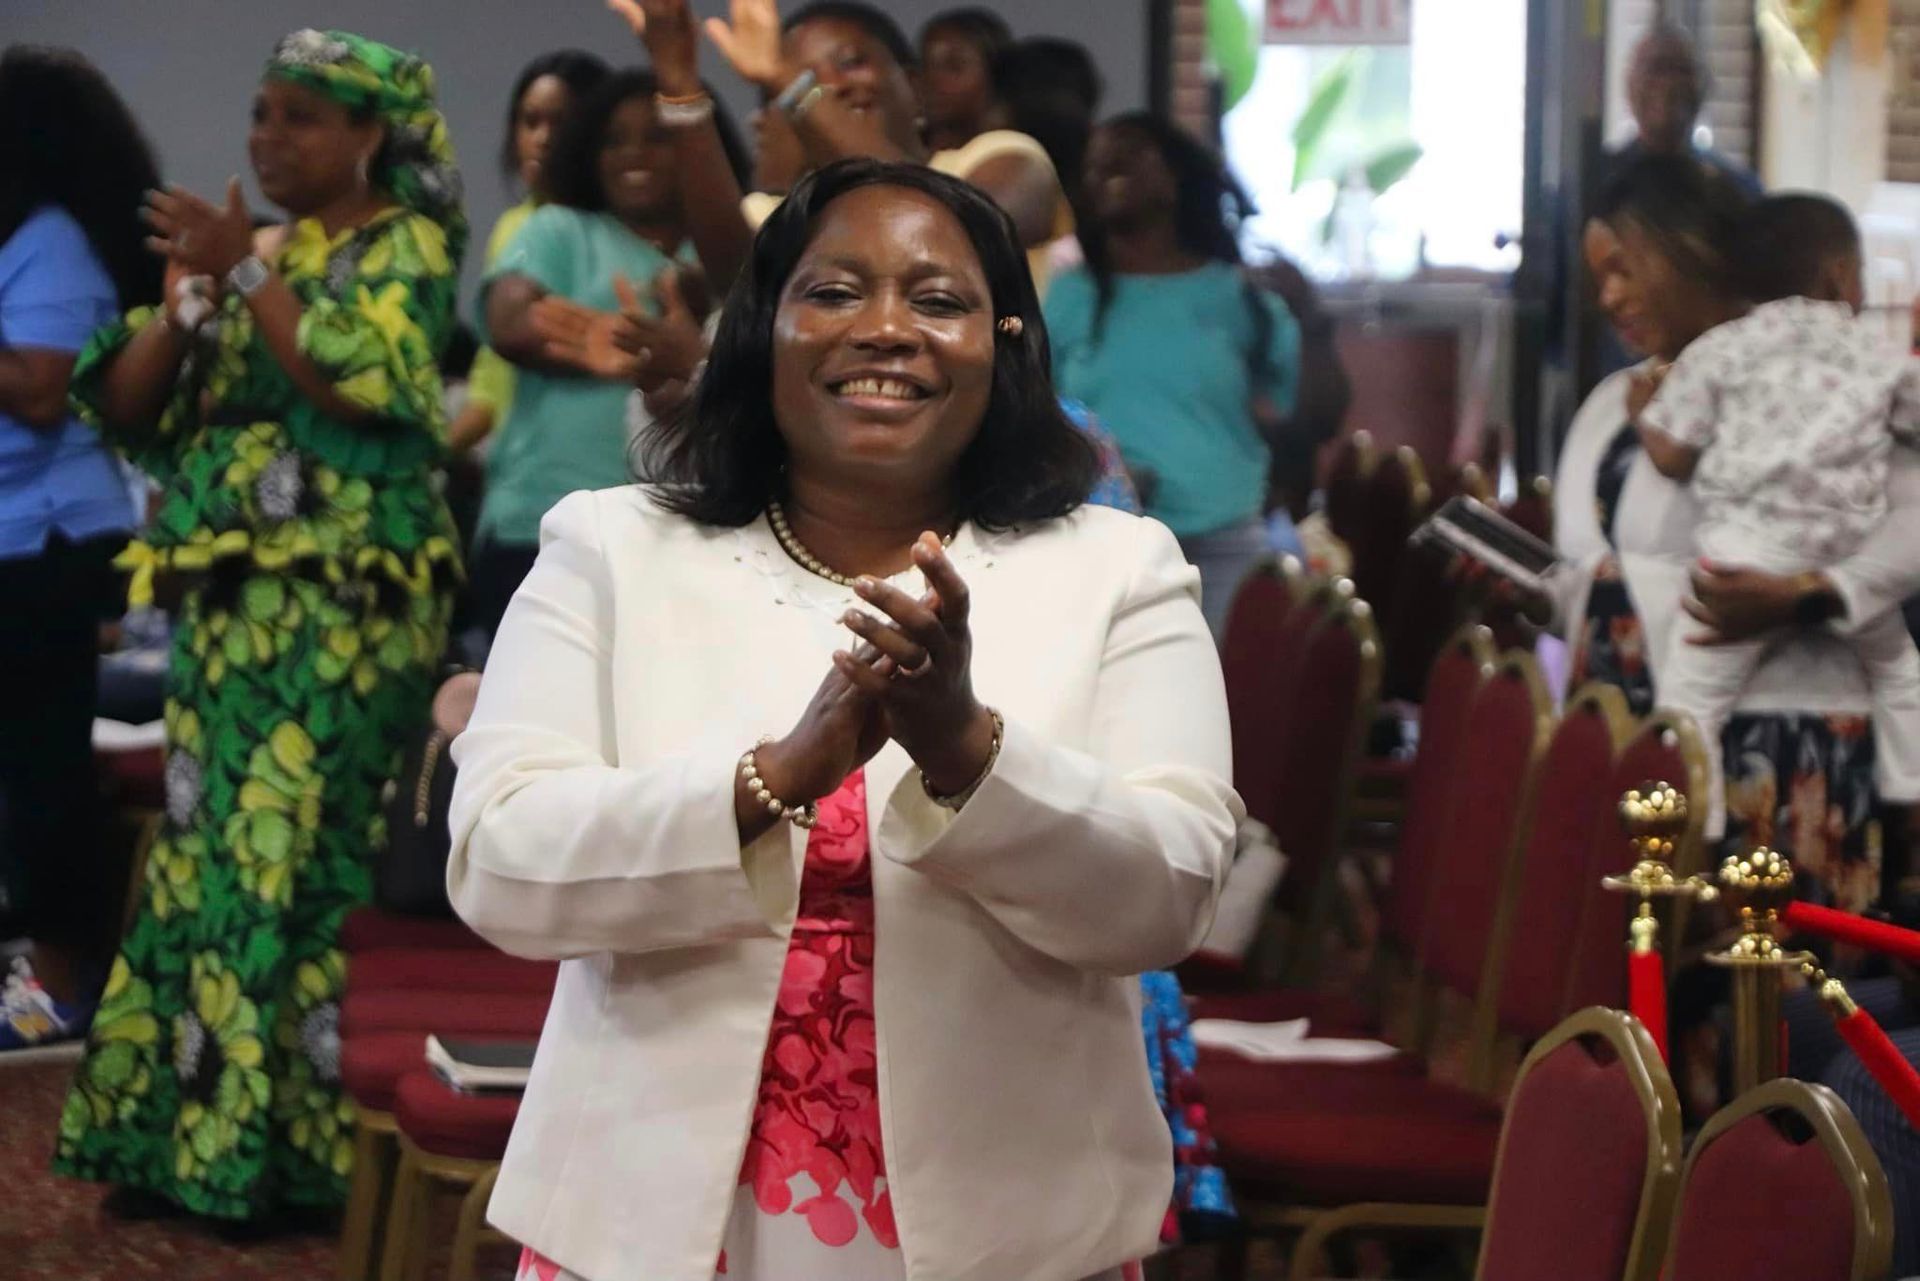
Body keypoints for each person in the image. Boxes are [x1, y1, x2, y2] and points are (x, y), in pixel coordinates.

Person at [447, 159, 1238, 1281]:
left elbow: (1171, 895)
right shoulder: (611, 549)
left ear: (1006, 341)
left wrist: (968, 749)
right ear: (761, 328)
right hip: (662, 1219)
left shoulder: (1119, 569)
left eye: (938, 300)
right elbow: (498, 861)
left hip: (1008, 1220)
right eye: (833, 292)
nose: (884, 330)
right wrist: (769, 777)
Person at [53, 29, 464, 1224]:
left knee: (299, 854)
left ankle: (294, 1163)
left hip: (348, 609)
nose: (267, 138)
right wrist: (184, 308)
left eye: (300, 117)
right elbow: (131, 409)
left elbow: (362, 382)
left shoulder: (409, 248)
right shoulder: (255, 256)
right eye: (261, 112)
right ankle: (184, 1148)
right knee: (207, 862)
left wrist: (246, 275)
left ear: (368, 137)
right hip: (232, 613)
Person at [1558, 154, 1920, 1120]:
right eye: (1598, 275)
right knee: (1668, 1021)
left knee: (1779, 1032)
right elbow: (1607, 552)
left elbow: (1904, 526)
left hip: (1791, 740)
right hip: (1670, 743)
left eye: (1627, 265)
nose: (1611, 295)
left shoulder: (1829, 383)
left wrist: (1809, 593)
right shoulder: (1633, 396)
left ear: (1696, 252)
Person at [1636, 194, 1920, 838]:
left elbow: (1673, 453)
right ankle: (1910, 803)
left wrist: (1642, 417)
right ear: (1839, 275)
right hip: (1847, 555)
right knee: (1902, 673)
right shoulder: (1873, 352)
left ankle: (1696, 846)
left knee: (1691, 701)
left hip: (1745, 555)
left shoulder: (1721, 350)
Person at [471, 65, 747, 644]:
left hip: (683, 526)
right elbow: (510, 315)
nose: (634, 154)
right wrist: (628, 340)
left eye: (658, 136)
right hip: (542, 518)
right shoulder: (560, 227)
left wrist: (691, 355)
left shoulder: (727, 246)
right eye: (613, 140)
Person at [0, 45, 159, 1050]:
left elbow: (39, 386)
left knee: (44, 765)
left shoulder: (53, 236)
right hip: (18, 536)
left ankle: (63, 981)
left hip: (49, 541)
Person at [1045, 114, 1300, 640]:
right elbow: (1032, 412)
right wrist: (1101, 473)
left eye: (1130, 152)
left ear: (1179, 176)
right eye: (1093, 163)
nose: (1106, 167)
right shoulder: (1071, 296)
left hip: (1223, 542)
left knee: (1228, 709)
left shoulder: (1240, 296)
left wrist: (1314, 325)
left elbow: (1294, 414)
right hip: (1100, 542)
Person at [709, 0, 1074, 291]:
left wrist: (787, 80)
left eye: (850, 62)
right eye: (810, 78)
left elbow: (948, 231)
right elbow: (732, 287)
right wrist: (680, 92)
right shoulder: (781, 214)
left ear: (915, 86)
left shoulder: (1002, 157)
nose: (832, 87)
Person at [447, 50, 611, 454]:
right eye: (530, 121)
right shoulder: (512, 226)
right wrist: (436, 454)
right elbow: (491, 378)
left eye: (561, 122)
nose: (543, 138)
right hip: (517, 464)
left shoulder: (622, 231)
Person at [1609, 22, 1760, 197]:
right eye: (1657, 68)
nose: (1669, 84)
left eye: (1682, 70)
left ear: (1703, 88)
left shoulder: (1735, 189)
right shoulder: (1599, 181)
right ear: (1630, 85)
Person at [918, 7, 1013, 153]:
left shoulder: (1011, 157)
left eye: (953, 67)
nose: (931, 79)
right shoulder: (904, 150)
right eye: (925, 65)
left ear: (994, 72)